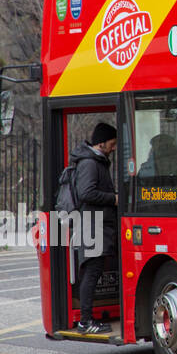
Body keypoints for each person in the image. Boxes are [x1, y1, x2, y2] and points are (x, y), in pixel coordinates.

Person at [71, 122, 117, 334]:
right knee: (92, 272)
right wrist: (113, 199)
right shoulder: (90, 163)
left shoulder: (97, 161)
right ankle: (85, 321)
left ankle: (86, 320)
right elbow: (86, 193)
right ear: (101, 142)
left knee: (94, 271)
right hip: (92, 225)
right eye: (112, 143)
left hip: (96, 224)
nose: (114, 147)